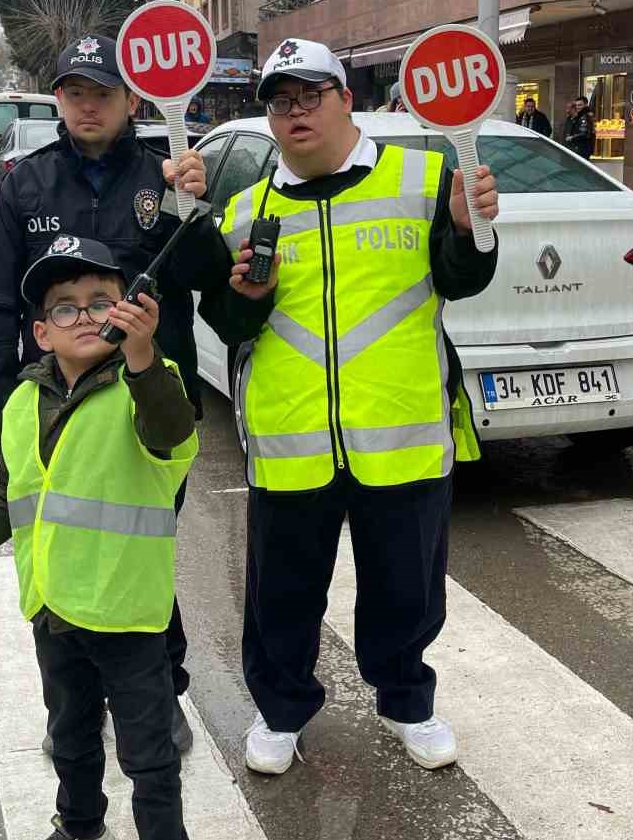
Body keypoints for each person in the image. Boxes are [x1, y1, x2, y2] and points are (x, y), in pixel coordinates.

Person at [198, 39, 500, 777]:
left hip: (399, 429)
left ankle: (407, 702)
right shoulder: (245, 208)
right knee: (282, 595)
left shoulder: (425, 179)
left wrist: (469, 228)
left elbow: (463, 281)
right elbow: (226, 324)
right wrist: (243, 298)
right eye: (279, 101)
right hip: (289, 433)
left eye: (309, 95)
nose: (294, 113)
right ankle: (282, 711)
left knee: (406, 587)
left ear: (344, 98)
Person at [0, 237, 200, 840]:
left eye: (102, 300)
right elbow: (11, 491)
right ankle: (82, 825)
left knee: (148, 759)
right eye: (64, 307)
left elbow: (172, 437)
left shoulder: (153, 382)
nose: (86, 315)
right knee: (71, 735)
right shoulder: (25, 400)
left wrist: (143, 358)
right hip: (53, 608)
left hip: (127, 614)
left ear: (132, 310)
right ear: (40, 332)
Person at [0, 35, 225, 754]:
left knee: (141, 556)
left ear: (130, 101)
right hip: (55, 413)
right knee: (59, 557)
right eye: (74, 91)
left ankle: (160, 693)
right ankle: (76, 708)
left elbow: (206, 273)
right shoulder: (25, 184)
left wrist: (194, 202)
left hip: (147, 406)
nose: (88, 105)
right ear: (59, 98)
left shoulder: (163, 175)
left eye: (102, 92)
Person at [564, 94, 595, 159]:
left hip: (583, 148)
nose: (578, 107)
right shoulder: (581, 115)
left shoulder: (585, 116)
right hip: (580, 147)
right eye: (577, 105)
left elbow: (584, 133)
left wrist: (572, 137)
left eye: (580, 105)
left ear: (586, 105)